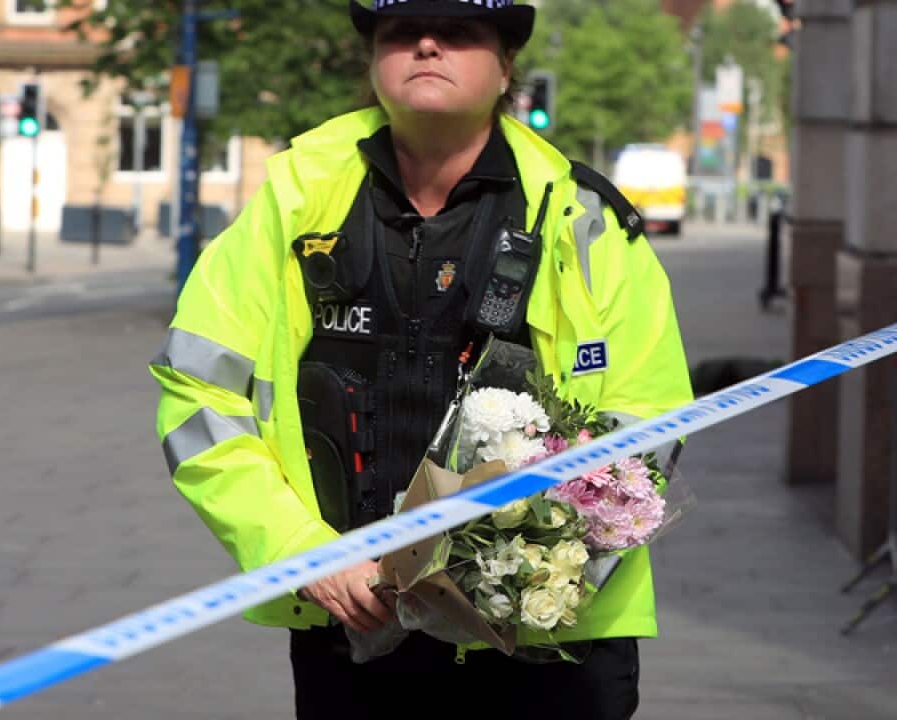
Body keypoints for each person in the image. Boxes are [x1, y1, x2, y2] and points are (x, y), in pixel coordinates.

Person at [150, 1, 693, 717]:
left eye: (460, 33)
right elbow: (198, 396)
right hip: (355, 628)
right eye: (401, 32)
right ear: (374, 60)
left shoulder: (585, 220)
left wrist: (527, 576)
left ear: (506, 70)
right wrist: (301, 550)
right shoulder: (294, 198)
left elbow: (647, 420)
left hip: (547, 643)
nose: (428, 44)